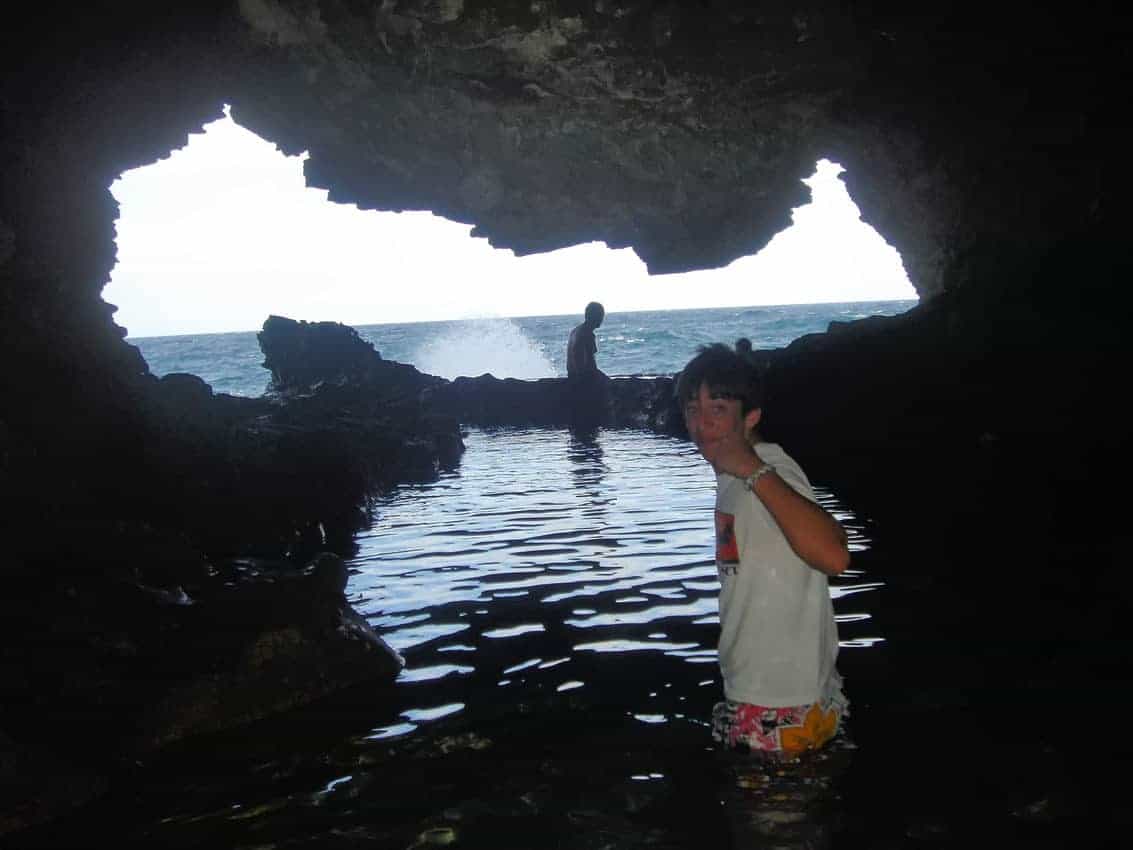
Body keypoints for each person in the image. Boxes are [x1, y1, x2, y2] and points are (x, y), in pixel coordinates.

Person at [676, 343, 850, 758]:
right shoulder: (736, 477)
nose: (702, 425)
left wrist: (753, 469)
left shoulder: (769, 469)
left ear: (750, 417)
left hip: (780, 703)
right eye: (692, 410)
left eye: (717, 409)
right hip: (767, 692)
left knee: (770, 822)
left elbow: (835, 556)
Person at [566, 302, 606, 380]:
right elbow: (590, 366)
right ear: (595, 316)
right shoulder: (587, 334)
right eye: (600, 315)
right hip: (583, 381)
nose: (602, 318)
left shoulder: (575, 331)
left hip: (572, 377)